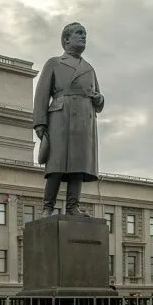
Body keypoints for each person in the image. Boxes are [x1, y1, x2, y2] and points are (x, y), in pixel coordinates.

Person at [32, 22, 104, 217]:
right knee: (56, 165)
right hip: (60, 119)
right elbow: (41, 94)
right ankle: (48, 207)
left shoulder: (89, 68)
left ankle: (73, 206)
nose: (83, 37)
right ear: (66, 39)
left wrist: (100, 99)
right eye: (79, 33)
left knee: (78, 167)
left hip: (83, 122)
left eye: (85, 34)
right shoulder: (54, 63)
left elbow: (98, 99)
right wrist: (40, 123)